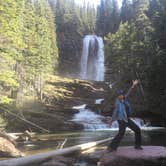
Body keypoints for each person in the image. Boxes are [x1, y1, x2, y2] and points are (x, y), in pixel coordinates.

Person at [107, 80, 143, 152]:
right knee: (121, 134)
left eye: (122, 94)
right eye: (119, 95)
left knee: (137, 130)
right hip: (121, 120)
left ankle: (137, 145)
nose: (121, 96)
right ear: (118, 96)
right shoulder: (117, 103)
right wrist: (111, 121)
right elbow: (115, 112)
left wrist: (133, 85)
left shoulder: (125, 99)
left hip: (127, 119)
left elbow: (129, 92)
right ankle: (111, 147)